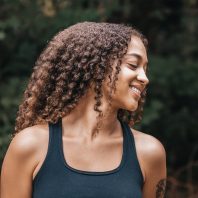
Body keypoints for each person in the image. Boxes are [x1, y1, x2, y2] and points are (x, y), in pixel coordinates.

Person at [0, 22, 167, 198]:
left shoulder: (149, 153)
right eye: (133, 65)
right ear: (96, 67)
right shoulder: (29, 145)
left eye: (145, 68)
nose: (144, 78)